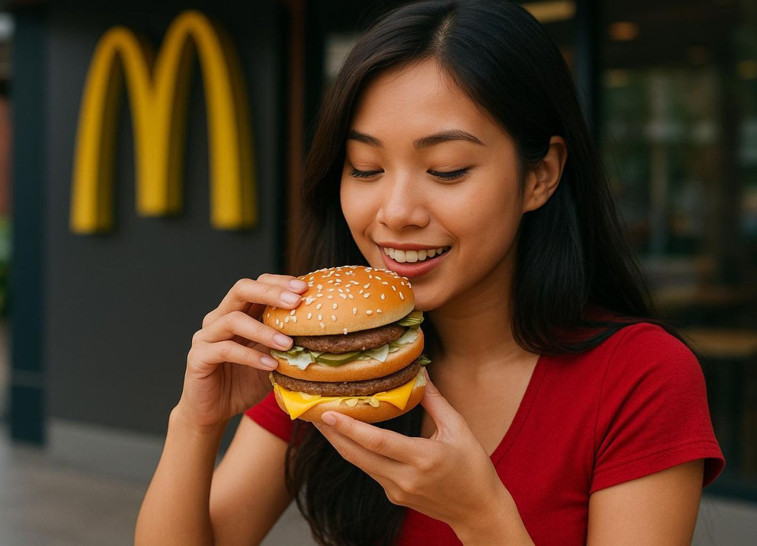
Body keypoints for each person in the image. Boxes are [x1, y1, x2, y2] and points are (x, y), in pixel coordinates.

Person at [136, 1, 724, 544]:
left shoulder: (642, 377)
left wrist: (480, 515)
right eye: (365, 167)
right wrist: (196, 421)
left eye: (445, 170)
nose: (395, 213)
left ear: (541, 175)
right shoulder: (329, 362)